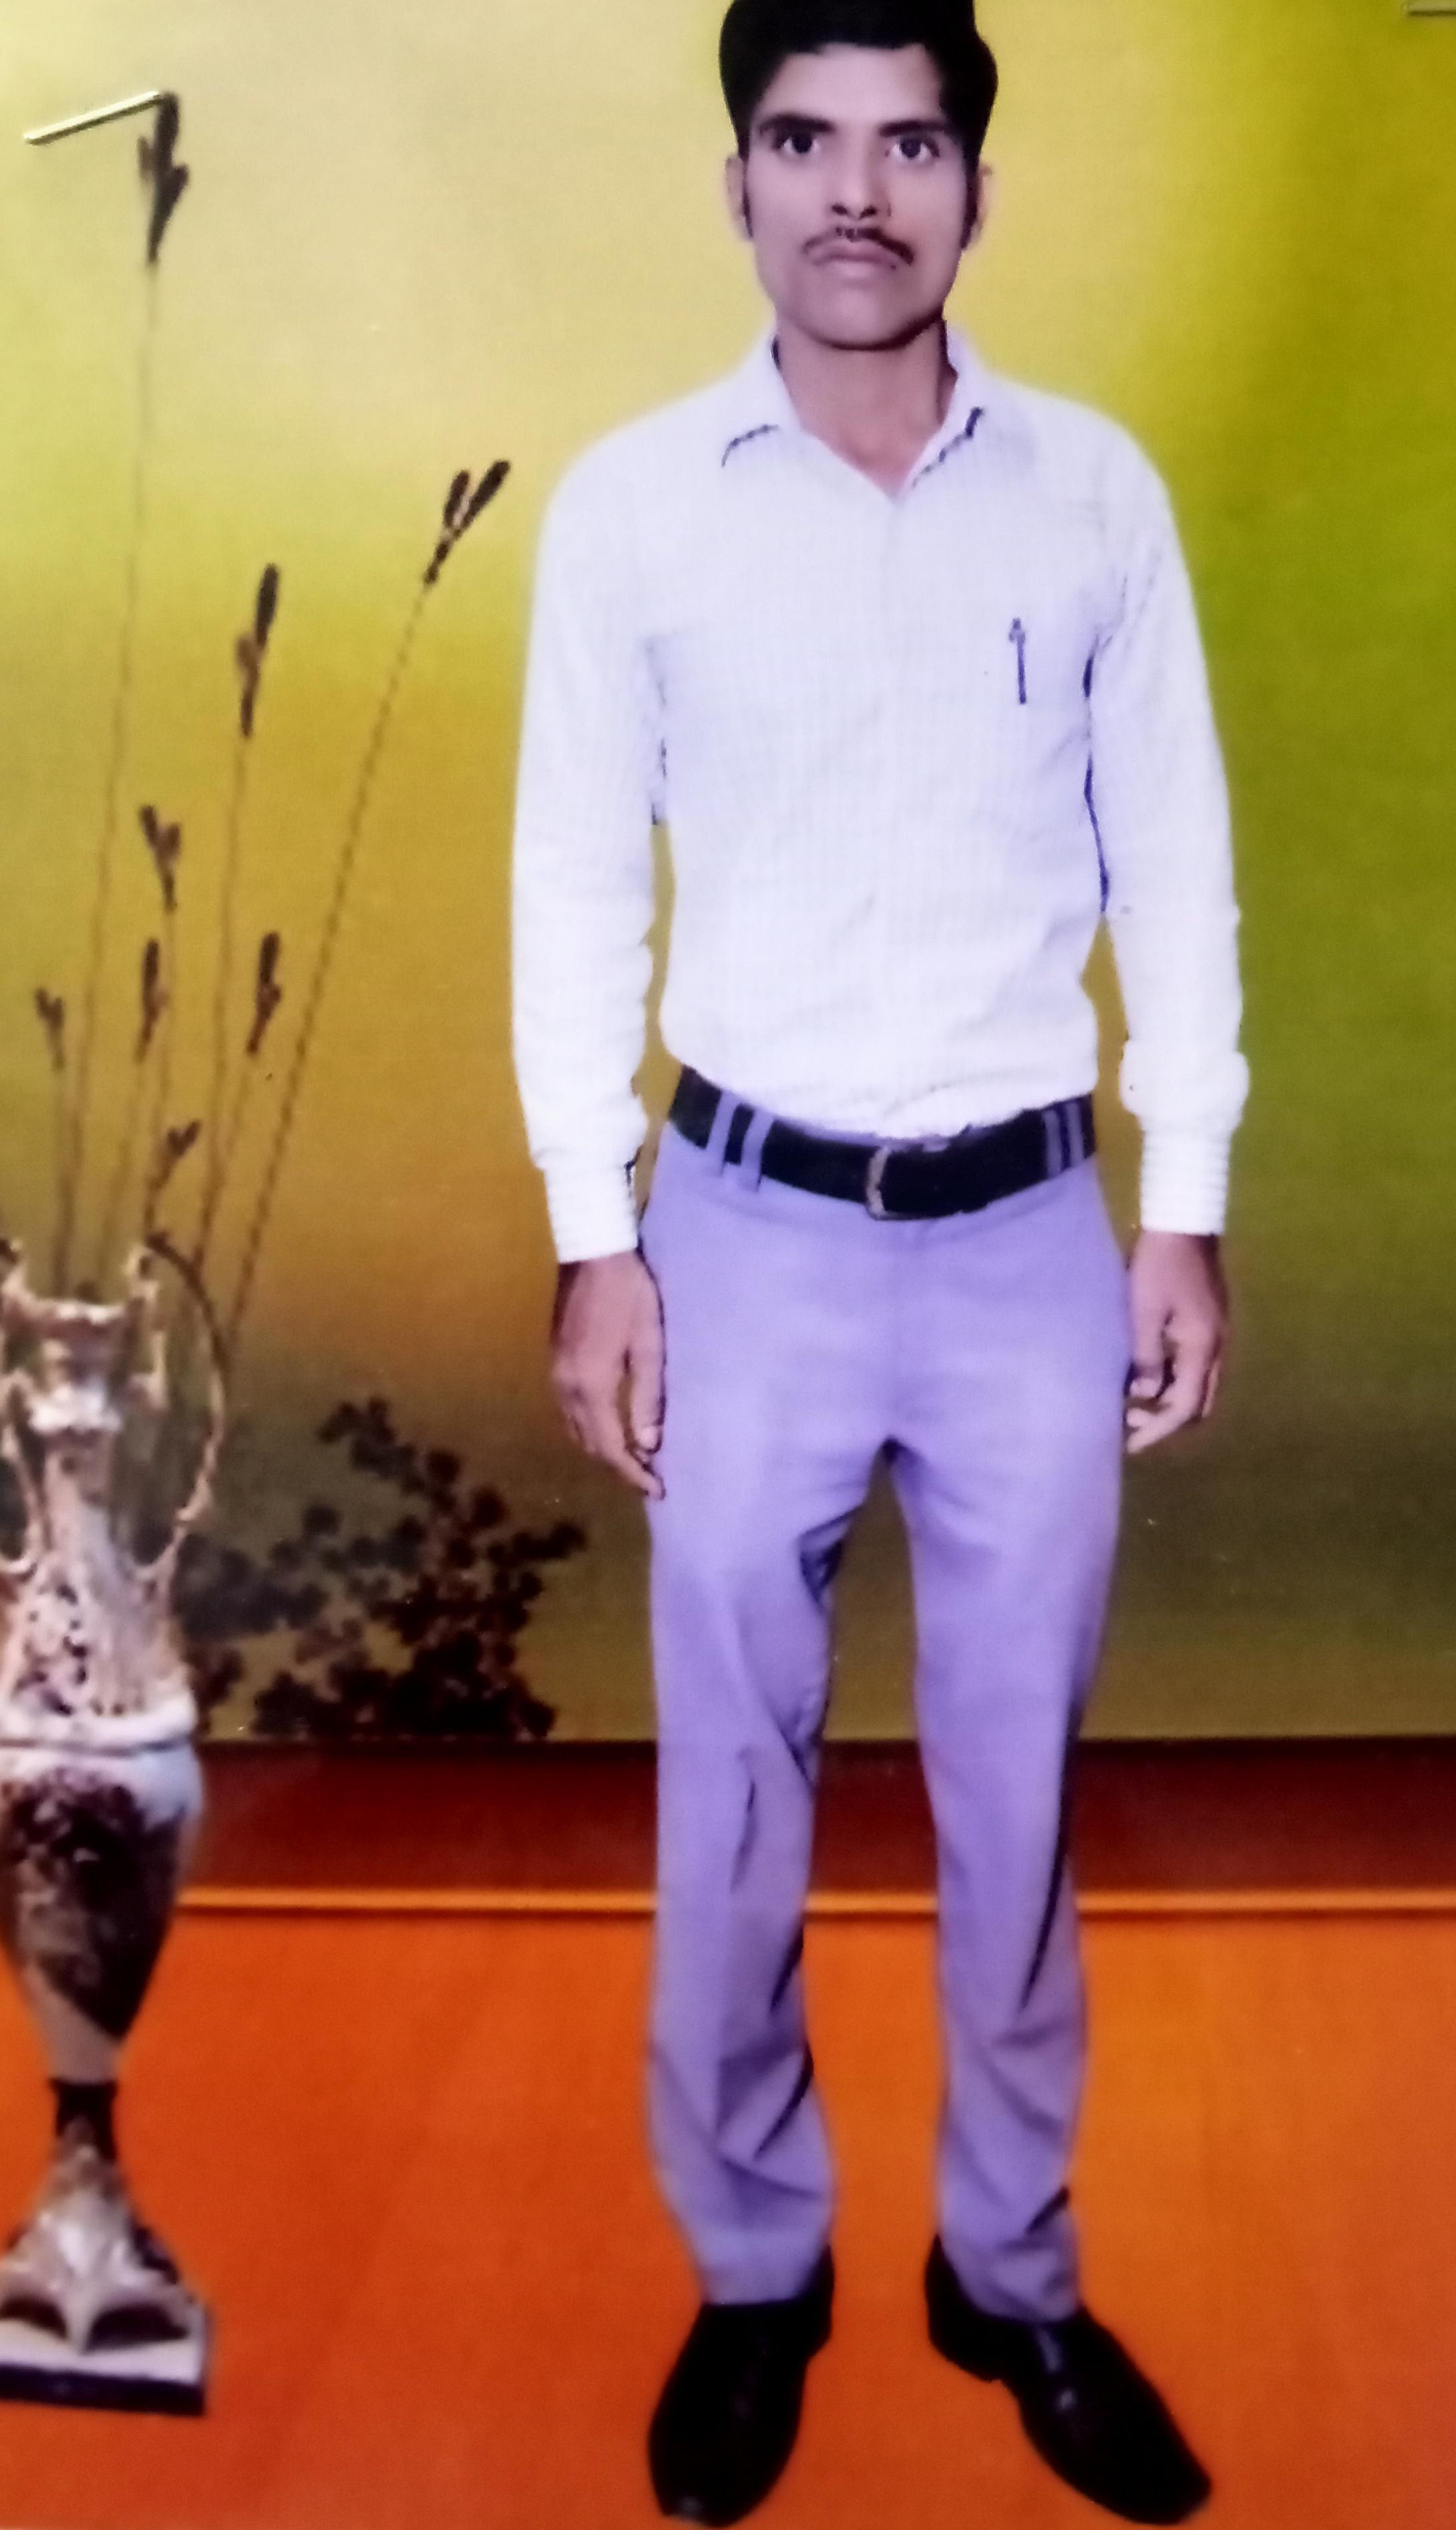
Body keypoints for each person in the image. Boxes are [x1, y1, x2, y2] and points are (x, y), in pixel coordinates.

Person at [512, 2, 1247, 2519]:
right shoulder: (634, 512)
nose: (856, 189)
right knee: (730, 1797)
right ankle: (756, 2273)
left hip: (1029, 1232)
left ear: (973, 186)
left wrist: (1181, 1200)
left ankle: (1006, 2270)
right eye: (802, 139)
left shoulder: (1092, 496)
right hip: (738, 1235)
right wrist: (596, 1239)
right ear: (735, 180)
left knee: (1014, 1796)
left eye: (909, 142)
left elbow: (1175, 857)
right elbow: (575, 889)